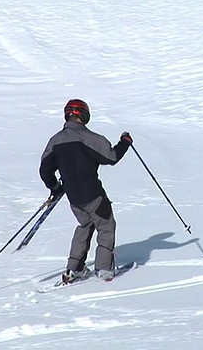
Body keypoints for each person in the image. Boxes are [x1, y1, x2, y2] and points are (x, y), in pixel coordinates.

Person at [39, 99, 133, 283]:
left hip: (74, 198)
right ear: (84, 115)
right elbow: (111, 157)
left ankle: (74, 269)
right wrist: (125, 142)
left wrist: (55, 187)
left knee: (85, 225)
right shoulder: (87, 137)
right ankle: (104, 269)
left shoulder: (55, 140)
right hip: (93, 195)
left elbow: (45, 170)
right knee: (106, 226)